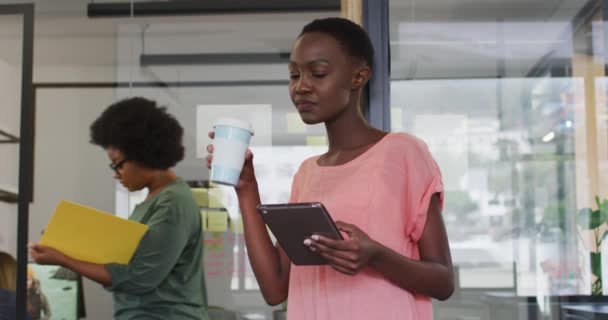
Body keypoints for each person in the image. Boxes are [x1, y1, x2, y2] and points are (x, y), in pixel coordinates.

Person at [206, 17, 454, 319]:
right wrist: (247, 190)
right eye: (294, 75)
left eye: (318, 73)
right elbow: (274, 288)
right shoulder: (307, 173)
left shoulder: (403, 153)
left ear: (358, 77)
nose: (301, 87)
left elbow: (443, 281)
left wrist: (375, 255)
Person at [30, 97, 210, 320]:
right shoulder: (154, 201)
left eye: (118, 163)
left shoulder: (173, 203)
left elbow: (138, 279)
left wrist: (64, 259)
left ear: (143, 153)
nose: (116, 173)